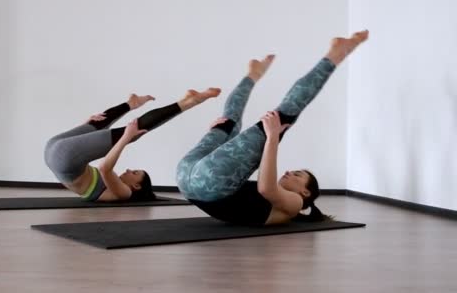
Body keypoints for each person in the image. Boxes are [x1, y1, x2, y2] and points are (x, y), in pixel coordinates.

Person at [176, 30, 369, 225]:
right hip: (188, 176)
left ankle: (336, 53)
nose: (289, 172)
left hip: (206, 181)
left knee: (284, 116)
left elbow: (266, 189)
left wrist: (272, 137)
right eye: (296, 172)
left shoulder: (296, 204)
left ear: (305, 192)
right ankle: (253, 74)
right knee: (228, 123)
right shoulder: (291, 202)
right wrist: (219, 137)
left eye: (297, 174)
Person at [44, 87, 221, 202]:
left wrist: (126, 139)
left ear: (136, 186)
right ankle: (132, 103)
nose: (128, 170)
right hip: (56, 151)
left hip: (62, 156)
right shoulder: (118, 188)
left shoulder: (124, 193)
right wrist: (86, 126)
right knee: (99, 122)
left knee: (132, 133)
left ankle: (186, 102)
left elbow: (104, 167)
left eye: (135, 173)